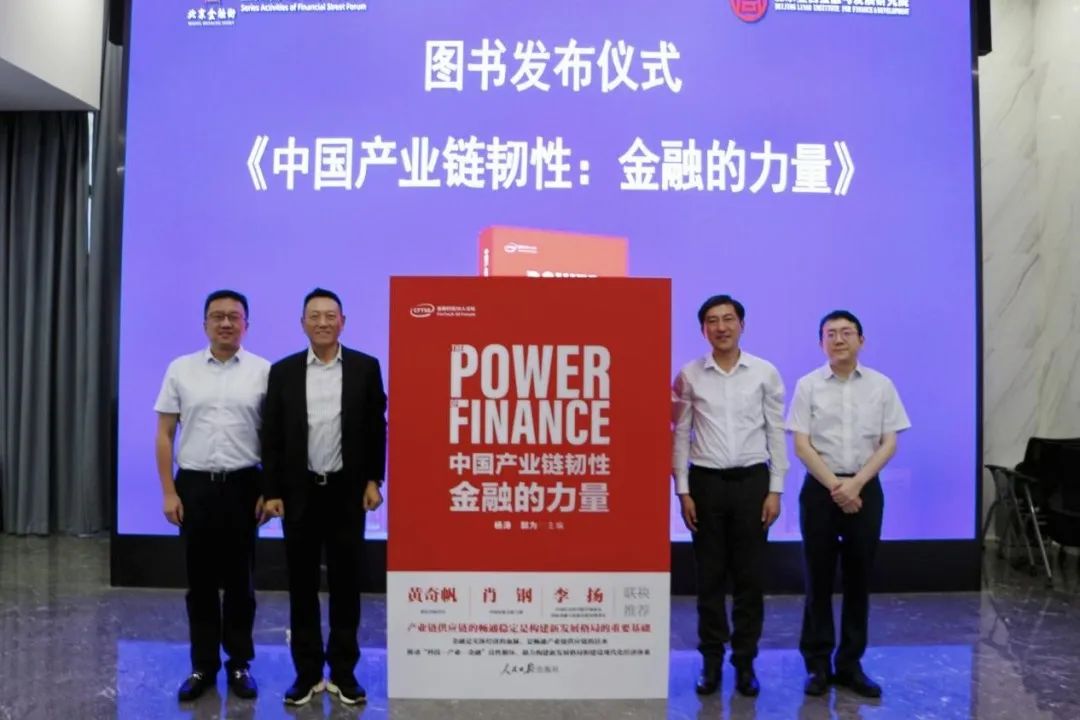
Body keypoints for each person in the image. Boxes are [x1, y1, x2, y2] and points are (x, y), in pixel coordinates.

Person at [261, 287, 386, 706]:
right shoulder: (284, 371)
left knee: (347, 585)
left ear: (343, 322)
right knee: (301, 586)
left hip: (347, 494)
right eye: (314, 316)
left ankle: (344, 673)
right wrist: (272, 491)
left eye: (330, 315)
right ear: (302, 324)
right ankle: (308, 673)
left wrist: (374, 480)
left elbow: (376, 429)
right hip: (299, 494)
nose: (322, 322)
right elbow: (272, 436)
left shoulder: (366, 368)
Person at [786, 310, 910, 698]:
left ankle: (851, 663)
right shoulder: (808, 385)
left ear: (861, 340)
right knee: (817, 579)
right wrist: (836, 487)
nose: (838, 339)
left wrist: (855, 485)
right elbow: (801, 445)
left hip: (865, 488)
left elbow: (889, 443)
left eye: (846, 332)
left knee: (859, 579)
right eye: (830, 334)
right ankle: (817, 664)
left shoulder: (881, 385)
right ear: (821, 342)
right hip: (820, 490)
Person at [155, 289, 270, 702]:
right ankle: (203, 665)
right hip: (195, 487)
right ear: (204, 323)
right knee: (200, 583)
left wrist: (269, 490)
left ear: (246, 325)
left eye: (233, 317)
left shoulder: (263, 372)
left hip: (243, 487)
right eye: (217, 316)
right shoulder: (181, 369)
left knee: (241, 584)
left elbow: (273, 437)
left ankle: (239, 663)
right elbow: (165, 433)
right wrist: (169, 492)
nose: (225, 323)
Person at [672, 294, 788, 697]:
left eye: (728, 319)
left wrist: (775, 489)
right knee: (709, 578)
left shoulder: (764, 372)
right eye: (712, 320)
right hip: (705, 483)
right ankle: (711, 661)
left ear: (741, 324)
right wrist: (683, 490)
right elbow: (680, 435)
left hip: (753, 483)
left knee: (749, 579)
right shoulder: (689, 374)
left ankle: (744, 661)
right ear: (703, 329)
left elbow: (776, 431)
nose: (721, 327)